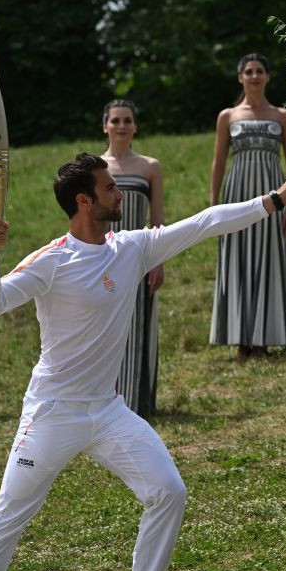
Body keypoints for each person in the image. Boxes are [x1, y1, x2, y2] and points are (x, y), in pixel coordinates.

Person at [0, 153, 286, 571]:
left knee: (168, 490)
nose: (120, 194)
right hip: (53, 413)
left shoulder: (132, 247)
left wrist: (272, 201)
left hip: (107, 411)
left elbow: (205, 223)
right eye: (110, 189)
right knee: (6, 522)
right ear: (84, 201)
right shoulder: (52, 259)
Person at [209, 53, 286, 357]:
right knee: (237, 260)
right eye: (249, 71)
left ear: (268, 77)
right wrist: (213, 208)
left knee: (270, 259)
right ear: (241, 77)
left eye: (260, 71)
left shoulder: (282, 115)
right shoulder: (228, 116)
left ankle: (264, 336)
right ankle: (240, 338)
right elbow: (218, 163)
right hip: (236, 194)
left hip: (275, 195)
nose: (255, 76)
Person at [100, 99, 164, 417]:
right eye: (116, 120)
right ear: (105, 126)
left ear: (135, 126)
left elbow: (159, 219)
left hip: (138, 256)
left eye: (127, 120)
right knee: (104, 326)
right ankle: (105, 397)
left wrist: (159, 260)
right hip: (102, 257)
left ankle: (139, 400)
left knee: (139, 323)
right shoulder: (94, 168)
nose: (121, 126)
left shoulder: (149, 167)